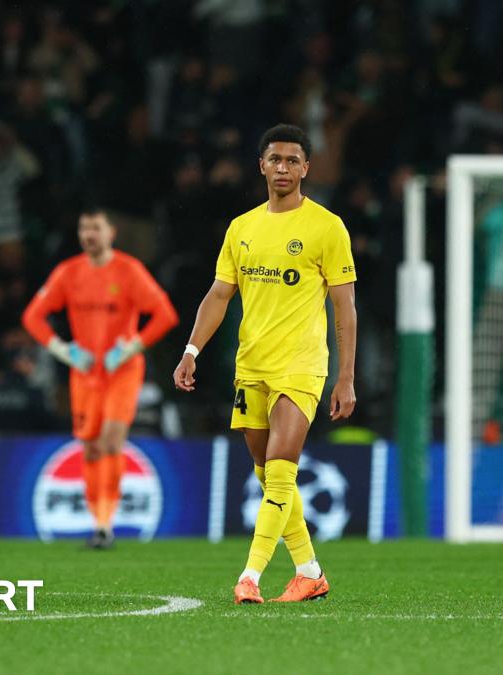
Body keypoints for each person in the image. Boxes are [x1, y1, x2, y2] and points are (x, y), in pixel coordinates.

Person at [173, 124, 357, 604]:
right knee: (266, 472)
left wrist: (346, 377)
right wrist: (191, 350)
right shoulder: (242, 228)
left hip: (301, 365)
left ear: (306, 168)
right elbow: (218, 294)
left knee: (280, 471)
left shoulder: (326, 227)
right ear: (261, 165)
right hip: (251, 365)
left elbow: (345, 308)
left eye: (293, 160)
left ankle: (249, 576)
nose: (283, 167)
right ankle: (310, 571)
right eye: (275, 159)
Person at [22, 208, 178, 549]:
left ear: (111, 233)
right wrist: (65, 351)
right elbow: (33, 317)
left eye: (96, 228)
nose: (89, 234)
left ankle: (107, 526)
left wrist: (131, 347)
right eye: (84, 228)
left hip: (121, 370)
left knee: (110, 441)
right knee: (91, 448)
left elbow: (165, 314)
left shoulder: (128, 271)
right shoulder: (69, 272)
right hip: (84, 373)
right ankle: (98, 524)